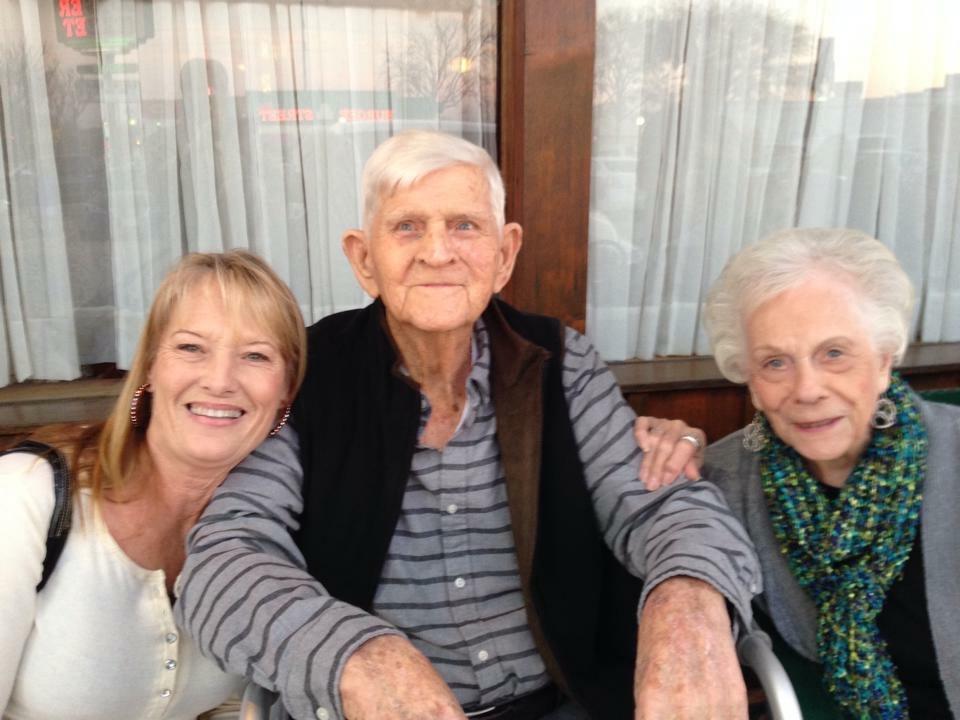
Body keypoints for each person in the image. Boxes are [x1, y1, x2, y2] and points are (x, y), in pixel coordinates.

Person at [175, 130, 761, 720]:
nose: (437, 253)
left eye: (464, 226)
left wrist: (688, 605)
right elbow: (226, 557)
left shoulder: (559, 363)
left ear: (504, 256)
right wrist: (357, 654)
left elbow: (662, 506)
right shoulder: (311, 372)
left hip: (559, 704)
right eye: (407, 227)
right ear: (363, 259)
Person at [641, 228, 959, 718]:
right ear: (750, 381)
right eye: (775, 362)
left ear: (883, 361)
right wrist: (684, 445)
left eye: (834, 353)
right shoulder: (728, 480)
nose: (807, 389)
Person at [0, 250, 307, 719]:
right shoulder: (27, 495)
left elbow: (227, 699)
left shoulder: (266, 525)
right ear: (149, 367)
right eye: (191, 348)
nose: (220, 380)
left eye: (255, 356)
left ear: (286, 388)